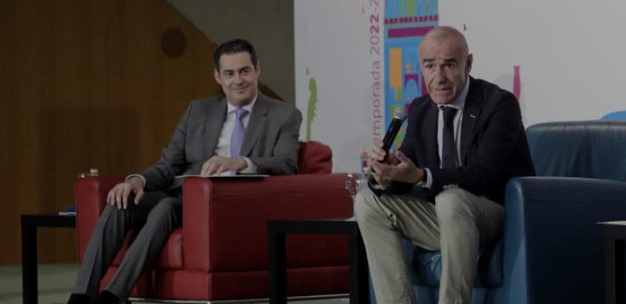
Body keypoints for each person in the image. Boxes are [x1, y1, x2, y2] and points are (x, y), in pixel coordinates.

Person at [68, 39, 302, 304]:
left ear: (257, 69)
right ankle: (81, 297)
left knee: (165, 207)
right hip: (184, 193)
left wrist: (239, 162)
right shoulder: (198, 110)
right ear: (217, 76)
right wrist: (136, 180)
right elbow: (169, 163)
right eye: (229, 73)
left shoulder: (285, 115)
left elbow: (286, 164)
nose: (238, 80)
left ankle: (113, 296)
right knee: (119, 200)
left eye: (244, 71)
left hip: (228, 201)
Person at [355, 26, 535, 304]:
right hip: (446, 218)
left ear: (468, 63)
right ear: (422, 68)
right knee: (367, 201)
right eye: (430, 66)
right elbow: (407, 171)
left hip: (496, 213)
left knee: (451, 199)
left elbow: (481, 175)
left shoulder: (499, 105)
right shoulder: (421, 110)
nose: (438, 77)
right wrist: (388, 173)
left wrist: (420, 176)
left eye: (449, 65)